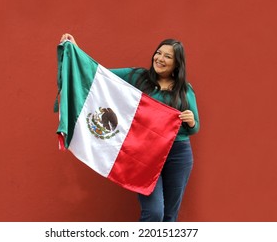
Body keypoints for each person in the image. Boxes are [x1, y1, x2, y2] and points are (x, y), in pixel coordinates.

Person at [59, 33, 200, 222]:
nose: (160, 58)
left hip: (178, 153)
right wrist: (75, 51)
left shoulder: (184, 90)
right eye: (158, 53)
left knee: (169, 216)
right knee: (154, 212)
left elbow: (194, 128)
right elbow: (100, 77)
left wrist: (191, 121)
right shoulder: (139, 77)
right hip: (146, 154)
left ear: (177, 64)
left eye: (168, 56)